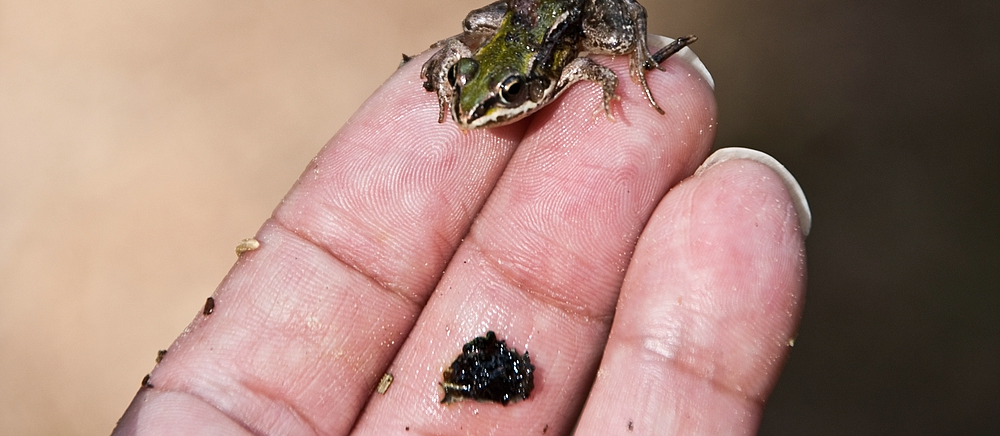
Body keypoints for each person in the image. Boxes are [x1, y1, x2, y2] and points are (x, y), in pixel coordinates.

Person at [113, 44, 808, 435]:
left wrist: (616, 79)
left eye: (500, 99)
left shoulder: (562, 65)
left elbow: (588, 66)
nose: (483, 116)